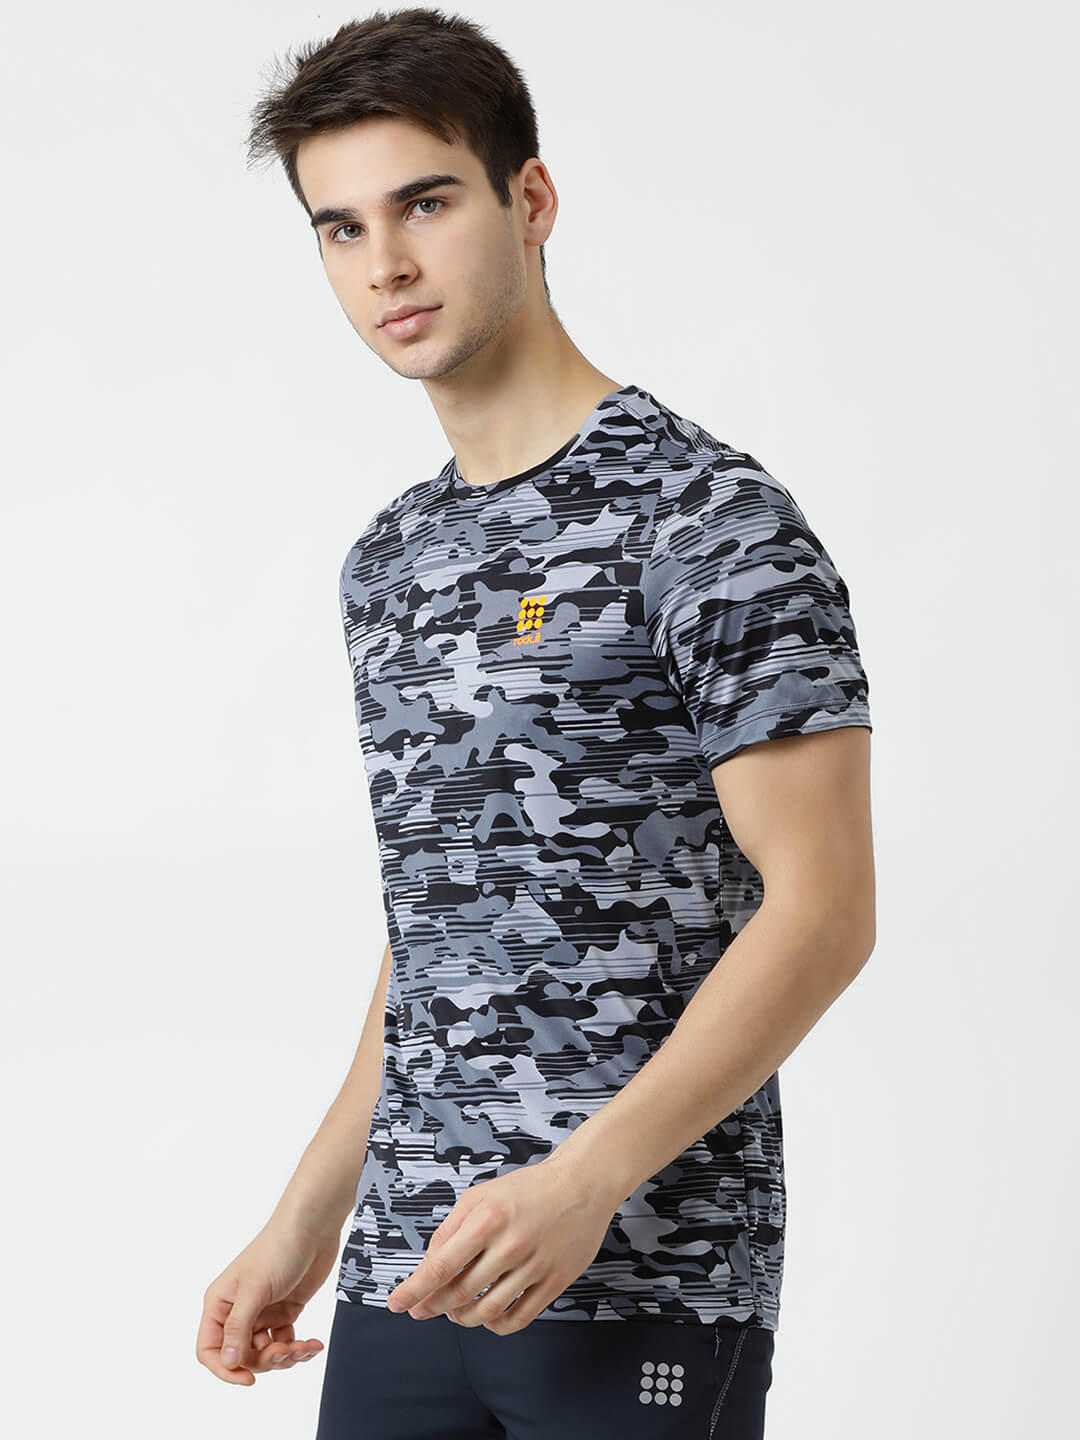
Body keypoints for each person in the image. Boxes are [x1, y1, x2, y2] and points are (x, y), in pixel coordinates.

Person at [196, 8, 876, 1437]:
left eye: (425, 203)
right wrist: (308, 1217)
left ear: (532, 198)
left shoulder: (710, 521)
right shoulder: (390, 564)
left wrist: (588, 1180)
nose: (384, 264)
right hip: (408, 1274)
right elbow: (438, 928)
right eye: (340, 228)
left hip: (646, 1278)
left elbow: (825, 910)